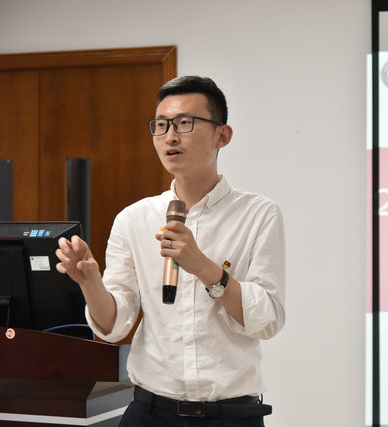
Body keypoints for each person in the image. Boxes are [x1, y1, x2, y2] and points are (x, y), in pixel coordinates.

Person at [55, 75, 286, 427]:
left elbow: (267, 319)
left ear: (222, 136)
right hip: (150, 413)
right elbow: (114, 326)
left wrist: (204, 267)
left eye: (184, 123)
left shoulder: (258, 214)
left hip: (231, 416)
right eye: (161, 125)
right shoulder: (134, 219)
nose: (170, 136)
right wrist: (90, 281)